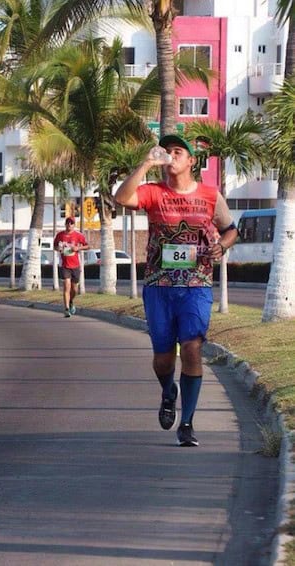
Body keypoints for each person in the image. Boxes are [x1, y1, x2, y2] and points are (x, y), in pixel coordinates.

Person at [115, 134, 237, 447]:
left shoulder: (210, 195)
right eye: (167, 151)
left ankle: (187, 423)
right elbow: (121, 198)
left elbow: (230, 229)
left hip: (196, 285)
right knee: (163, 359)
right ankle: (168, 391)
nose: (171, 156)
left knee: (193, 348)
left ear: (192, 161)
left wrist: (221, 247)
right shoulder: (153, 192)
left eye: (177, 152)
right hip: (159, 286)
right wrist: (146, 163)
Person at [53, 217, 90, 317]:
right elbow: (55, 246)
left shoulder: (78, 235)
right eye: (68, 223)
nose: (69, 225)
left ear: (74, 225)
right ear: (65, 224)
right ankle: (66, 309)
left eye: (71, 223)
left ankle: (71, 301)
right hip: (64, 265)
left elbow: (87, 246)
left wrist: (78, 247)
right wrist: (59, 249)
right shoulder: (60, 235)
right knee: (66, 287)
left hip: (75, 265)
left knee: (74, 290)